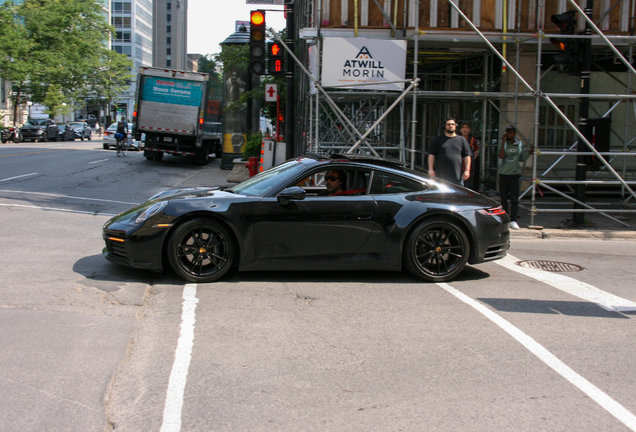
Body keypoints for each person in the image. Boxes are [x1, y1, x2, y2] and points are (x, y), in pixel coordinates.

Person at [498, 125, 534, 230]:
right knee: (503, 198)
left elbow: (522, 158)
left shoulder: (519, 144)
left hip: (514, 174)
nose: (509, 134)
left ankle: (513, 220)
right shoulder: (503, 143)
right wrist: (504, 142)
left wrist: (529, 153)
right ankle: (505, 218)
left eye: (511, 132)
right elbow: (501, 156)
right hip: (504, 174)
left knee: (514, 199)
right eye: (507, 132)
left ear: (514, 133)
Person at [428, 117, 472, 185]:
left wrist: (467, 170)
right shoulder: (438, 140)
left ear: (455, 126)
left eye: (452, 124)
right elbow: (431, 154)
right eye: (448, 124)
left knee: (457, 195)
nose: (450, 126)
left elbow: (467, 156)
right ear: (444, 126)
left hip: (457, 176)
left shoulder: (462, 140)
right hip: (440, 176)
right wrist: (430, 169)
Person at [459, 122, 480, 190]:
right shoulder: (457, 139)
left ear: (470, 130)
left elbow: (475, 153)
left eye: (467, 127)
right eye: (463, 127)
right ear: (460, 130)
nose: (465, 129)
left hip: (468, 167)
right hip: (458, 165)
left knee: (468, 185)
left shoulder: (472, 140)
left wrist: (470, 161)